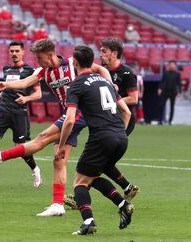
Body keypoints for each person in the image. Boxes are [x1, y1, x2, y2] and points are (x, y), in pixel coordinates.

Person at [0, 38, 111, 216]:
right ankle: (57, 204)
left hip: (80, 111)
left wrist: (111, 86)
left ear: (49, 55)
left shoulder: (73, 63)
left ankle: (0, 156)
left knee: (42, 137)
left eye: (39, 58)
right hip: (70, 112)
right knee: (59, 160)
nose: (37, 61)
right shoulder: (42, 71)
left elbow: (100, 69)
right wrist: (6, 84)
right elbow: (26, 83)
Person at [55, 45, 134, 235]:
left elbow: (70, 120)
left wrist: (60, 146)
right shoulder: (106, 81)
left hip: (101, 137)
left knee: (80, 184)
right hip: (121, 138)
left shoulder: (77, 84)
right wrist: (118, 133)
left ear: (74, 63)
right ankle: (123, 204)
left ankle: (88, 222)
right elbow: (127, 111)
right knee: (92, 176)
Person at [0, 41, 42, 189]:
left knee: (21, 147)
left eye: (17, 51)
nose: (14, 54)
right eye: (12, 51)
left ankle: (35, 169)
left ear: (23, 52)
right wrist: (0, 96)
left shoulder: (30, 71)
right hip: (3, 111)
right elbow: (7, 88)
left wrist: (26, 98)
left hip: (19, 113)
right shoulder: (6, 69)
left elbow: (38, 94)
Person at [158, 60, 182, 125]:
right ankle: (160, 120)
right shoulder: (166, 73)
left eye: (173, 65)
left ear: (175, 66)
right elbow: (162, 82)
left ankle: (170, 121)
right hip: (165, 91)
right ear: (169, 66)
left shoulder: (177, 74)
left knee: (172, 106)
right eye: (170, 65)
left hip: (173, 92)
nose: (172, 66)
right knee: (162, 105)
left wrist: (180, 92)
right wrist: (160, 89)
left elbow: (179, 84)